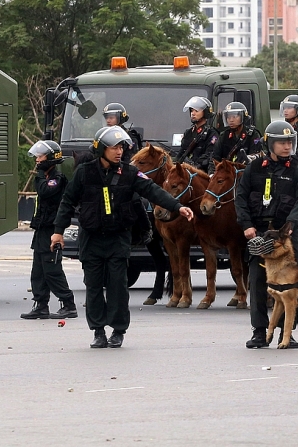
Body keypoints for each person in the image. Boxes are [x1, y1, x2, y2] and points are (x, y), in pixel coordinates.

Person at [51, 126, 195, 349]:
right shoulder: (84, 172)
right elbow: (67, 202)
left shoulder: (129, 173)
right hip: (91, 238)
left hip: (118, 238)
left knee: (118, 286)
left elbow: (152, 190)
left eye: (121, 147)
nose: (119, 152)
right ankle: (98, 331)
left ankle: (118, 330)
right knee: (94, 287)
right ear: (100, 149)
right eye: (113, 147)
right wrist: (58, 232)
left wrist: (177, 206)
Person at [235, 121, 298, 349]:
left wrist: (291, 224)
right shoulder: (255, 167)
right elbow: (241, 197)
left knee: (290, 286)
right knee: (258, 283)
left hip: (285, 235)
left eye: (289, 142)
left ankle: (286, 333)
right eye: (281, 142)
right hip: (259, 233)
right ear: (270, 143)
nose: (287, 146)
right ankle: (259, 332)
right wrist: (246, 225)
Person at [104, 102, 165, 304]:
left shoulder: (127, 138)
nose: (108, 119)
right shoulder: (104, 136)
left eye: (112, 115)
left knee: (137, 199)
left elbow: (133, 159)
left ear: (121, 117)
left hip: (126, 174)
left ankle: (145, 228)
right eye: (107, 116)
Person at [20, 140, 78, 321]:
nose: (37, 160)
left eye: (40, 156)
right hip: (41, 228)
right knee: (38, 269)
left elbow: (44, 191)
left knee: (52, 268)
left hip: (52, 230)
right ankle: (40, 305)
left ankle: (68, 304)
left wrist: (38, 174)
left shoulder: (56, 179)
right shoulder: (45, 177)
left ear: (51, 158)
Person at [176, 96, 219, 173]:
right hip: (185, 171)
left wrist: (195, 166)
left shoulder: (212, 134)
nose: (193, 113)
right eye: (191, 110)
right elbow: (181, 153)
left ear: (205, 112)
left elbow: (209, 156)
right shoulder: (188, 132)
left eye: (196, 111)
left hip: (201, 173)